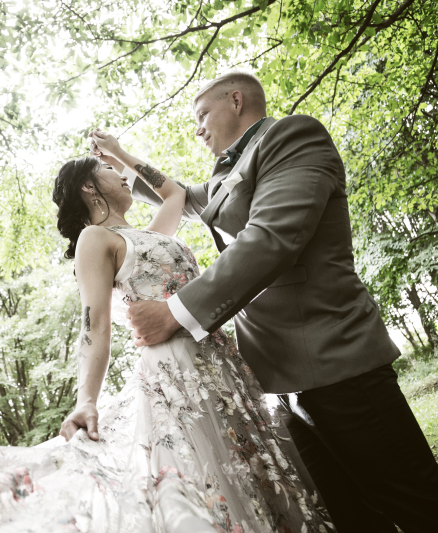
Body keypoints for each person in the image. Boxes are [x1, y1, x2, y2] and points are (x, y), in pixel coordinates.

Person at [122, 69, 438, 533]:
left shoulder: (292, 136)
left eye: (202, 114)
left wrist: (175, 312)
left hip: (337, 363)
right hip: (283, 384)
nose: (198, 128)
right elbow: (177, 197)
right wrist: (118, 160)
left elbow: (273, 238)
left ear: (236, 100)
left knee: (425, 510)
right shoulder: (230, 174)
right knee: (352, 519)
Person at [53, 145, 332, 531]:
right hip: (175, 372)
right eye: (107, 169)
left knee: (254, 468)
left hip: (219, 362)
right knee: (217, 478)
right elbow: (94, 324)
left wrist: (119, 152)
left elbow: (175, 194)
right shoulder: (96, 239)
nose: (120, 174)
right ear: (88, 186)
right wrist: (87, 399)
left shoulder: (146, 235)